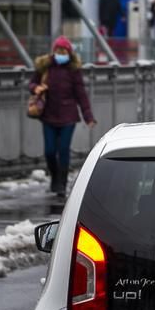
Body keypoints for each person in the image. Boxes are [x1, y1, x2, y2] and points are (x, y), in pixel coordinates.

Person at [29, 36, 96, 196]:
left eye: (64, 51)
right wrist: (36, 88)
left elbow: (81, 94)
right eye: (58, 51)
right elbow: (32, 83)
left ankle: (62, 184)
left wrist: (88, 117)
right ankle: (55, 177)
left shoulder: (73, 70)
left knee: (63, 150)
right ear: (54, 51)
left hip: (68, 117)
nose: (61, 54)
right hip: (49, 116)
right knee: (50, 151)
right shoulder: (44, 66)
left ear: (69, 53)